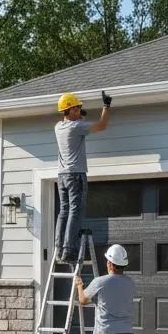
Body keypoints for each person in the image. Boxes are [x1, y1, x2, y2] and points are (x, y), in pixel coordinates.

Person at [54, 91, 111, 264]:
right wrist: (106, 106)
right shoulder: (76, 127)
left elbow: (77, 121)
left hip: (62, 176)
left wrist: (80, 116)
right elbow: (102, 125)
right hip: (75, 175)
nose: (79, 110)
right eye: (76, 108)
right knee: (75, 211)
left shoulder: (58, 126)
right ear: (69, 110)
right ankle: (69, 249)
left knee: (63, 211)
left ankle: (59, 248)